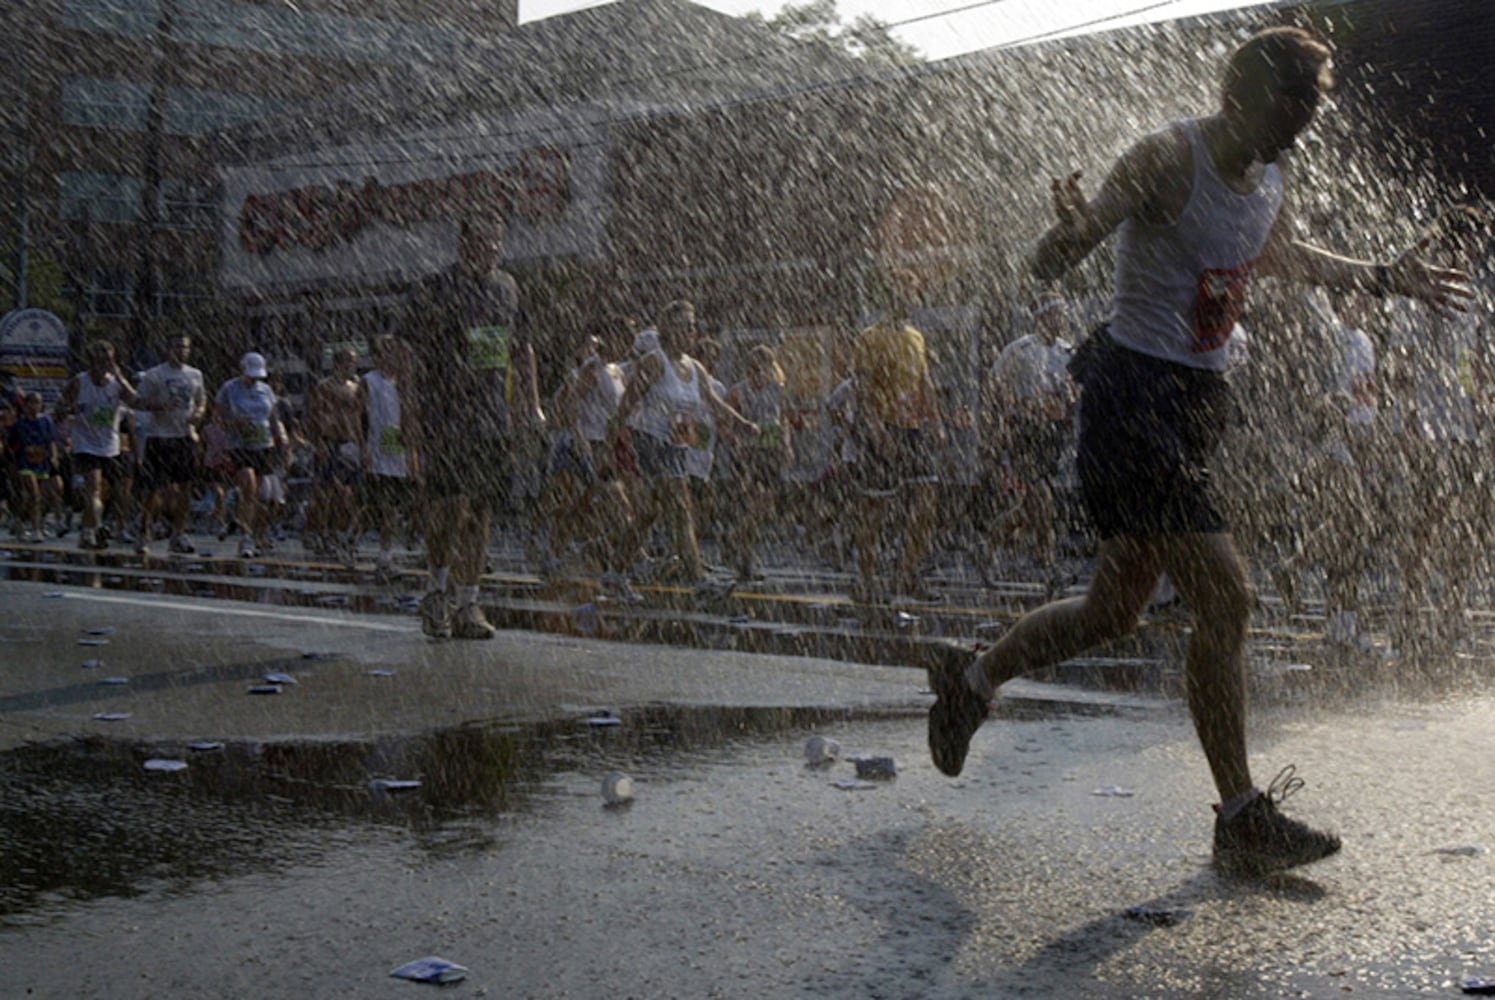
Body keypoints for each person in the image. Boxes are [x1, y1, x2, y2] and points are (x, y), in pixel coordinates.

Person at [926, 27, 1472, 876]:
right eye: (1286, 116)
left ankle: (971, 683)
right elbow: (1053, 258)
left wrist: (1380, 275)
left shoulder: (1270, 170)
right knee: (1226, 595)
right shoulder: (1162, 159)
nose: (1295, 137)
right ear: (1239, 96)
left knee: (1114, 611)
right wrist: (1065, 235)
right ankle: (1240, 815)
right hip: (1131, 397)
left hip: (1192, 406)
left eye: (1306, 121)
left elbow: (1279, 252)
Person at [406, 216, 523, 640]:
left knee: (479, 510)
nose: (490, 249)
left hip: (491, 415)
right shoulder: (435, 288)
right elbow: (410, 355)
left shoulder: (508, 288)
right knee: (450, 506)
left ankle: (469, 603)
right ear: (463, 244)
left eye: (496, 241)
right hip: (446, 412)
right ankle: (437, 592)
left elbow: (520, 347)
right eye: (482, 241)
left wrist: (529, 405)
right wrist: (411, 417)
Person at [612, 300, 756, 589]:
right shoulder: (654, 361)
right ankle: (698, 579)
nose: (693, 331)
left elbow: (713, 402)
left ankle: (614, 571)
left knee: (648, 514)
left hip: (677, 444)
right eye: (687, 325)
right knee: (680, 505)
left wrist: (742, 424)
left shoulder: (696, 368)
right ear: (669, 328)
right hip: (651, 439)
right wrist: (610, 444)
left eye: (693, 325)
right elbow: (627, 403)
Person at [850, 280, 944, 604]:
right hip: (883, 427)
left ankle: (907, 574)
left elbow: (925, 382)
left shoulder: (916, 337)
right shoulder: (870, 337)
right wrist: (876, 431)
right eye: (908, 292)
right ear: (892, 296)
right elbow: (861, 390)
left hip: (912, 428)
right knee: (875, 507)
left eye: (915, 292)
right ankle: (865, 578)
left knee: (927, 498)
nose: (914, 298)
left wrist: (936, 421)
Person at [980, 290, 1077, 590]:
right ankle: (1048, 566)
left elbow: (1073, 391)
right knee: (1043, 499)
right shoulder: (1020, 349)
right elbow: (993, 384)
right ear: (1042, 317)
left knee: (1031, 506)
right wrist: (1012, 409)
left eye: (1063, 313)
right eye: (1056, 313)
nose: (1062, 319)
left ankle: (989, 545)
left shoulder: (1067, 351)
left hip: (1053, 433)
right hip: (1024, 430)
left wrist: (1064, 401)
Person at [56, 340, 136, 551]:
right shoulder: (79, 382)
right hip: (85, 442)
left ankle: (86, 531)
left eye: (109, 360)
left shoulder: (116, 383)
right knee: (94, 486)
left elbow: (135, 400)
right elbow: (58, 409)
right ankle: (98, 528)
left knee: (110, 492)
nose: (105, 365)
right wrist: (67, 409)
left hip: (110, 443)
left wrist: (120, 377)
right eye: (100, 360)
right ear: (92, 361)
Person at [133, 333, 207, 556]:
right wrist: (160, 405)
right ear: (168, 349)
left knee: (186, 487)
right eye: (176, 347)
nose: (181, 351)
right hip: (159, 436)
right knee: (153, 489)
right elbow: (139, 402)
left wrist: (199, 414)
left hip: (183, 436)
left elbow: (202, 399)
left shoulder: (195, 374)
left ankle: (179, 533)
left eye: (184, 347)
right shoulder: (155, 375)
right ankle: (144, 530)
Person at [726, 344, 791, 583]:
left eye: (764, 369)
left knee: (767, 502)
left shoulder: (778, 389)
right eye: (755, 369)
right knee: (752, 501)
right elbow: (726, 423)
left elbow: (783, 418)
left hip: (770, 449)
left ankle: (735, 537)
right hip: (748, 452)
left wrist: (786, 444)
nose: (760, 374)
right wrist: (737, 442)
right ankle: (746, 559)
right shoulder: (738, 391)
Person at [215, 351, 290, 559]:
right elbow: (217, 418)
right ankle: (246, 537)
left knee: (261, 495)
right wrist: (234, 424)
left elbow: (273, 417)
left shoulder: (266, 390)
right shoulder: (229, 389)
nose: (254, 379)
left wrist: (280, 438)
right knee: (248, 486)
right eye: (251, 375)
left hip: (262, 444)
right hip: (239, 445)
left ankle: (254, 528)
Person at [358, 334, 419, 585]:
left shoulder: (405, 382)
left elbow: (411, 417)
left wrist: (414, 452)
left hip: (398, 451)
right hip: (376, 450)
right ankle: (348, 537)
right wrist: (362, 447)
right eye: (386, 352)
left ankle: (385, 557)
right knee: (374, 506)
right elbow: (358, 417)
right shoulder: (369, 381)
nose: (392, 357)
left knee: (392, 507)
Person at [306, 347, 365, 566]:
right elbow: (315, 414)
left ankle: (339, 533)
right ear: (339, 363)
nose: (353, 366)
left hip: (350, 444)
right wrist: (319, 441)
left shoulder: (356, 387)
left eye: (355, 362)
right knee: (328, 493)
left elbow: (359, 417)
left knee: (349, 494)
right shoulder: (324, 387)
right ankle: (324, 532)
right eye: (350, 362)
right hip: (330, 442)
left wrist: (362, 444)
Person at [8, 392, 63, 542]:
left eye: (37, 402)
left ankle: (20, 520)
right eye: (31, 403)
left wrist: (53, 456)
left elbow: (51, 441)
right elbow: (11, 444)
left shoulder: (46, 422)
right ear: (25, 406)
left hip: (41, 463)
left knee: (38, 498)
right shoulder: (19, 424)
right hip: (24, 462)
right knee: (34, 494)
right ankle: (36, 529)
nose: (34, 406)